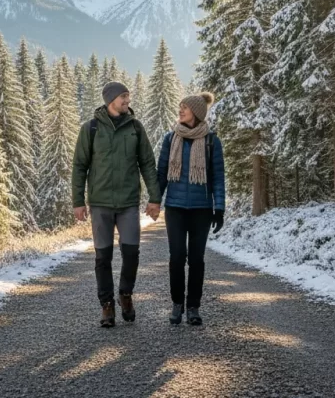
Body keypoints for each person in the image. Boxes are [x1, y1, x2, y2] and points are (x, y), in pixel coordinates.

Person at [72, 81, 161, 328]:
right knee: (103, 257)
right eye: (124, 97)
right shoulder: (90, 129)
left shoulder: (136, 128)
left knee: (131, 253)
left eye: (128, 97)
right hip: (100, 203)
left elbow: (147, 164)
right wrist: (78, 201)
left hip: (128, 203)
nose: (127, 101)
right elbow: (80, 166)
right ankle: (107, 305)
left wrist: (155, 198)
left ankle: (125, 294)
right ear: (111, 99)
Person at [148, 92, 225, 326]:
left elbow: (218, 178)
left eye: (185, 108)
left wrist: (219, 208)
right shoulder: (171, 139)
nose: (180, 111)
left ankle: (193, 307)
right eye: (180, 107)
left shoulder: (212, 141)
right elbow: (162, 174)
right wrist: (155, 201)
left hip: (202, 209)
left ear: (197, 113)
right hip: (175, 208)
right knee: (177, 257)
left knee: (197, 260)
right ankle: (177, 305)